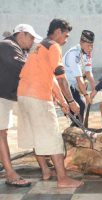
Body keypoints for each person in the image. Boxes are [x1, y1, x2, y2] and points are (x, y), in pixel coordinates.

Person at [17, 19, 83, 188]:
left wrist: (62, 102)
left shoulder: (38, 47)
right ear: (58, 31)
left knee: (36, 137)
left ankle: (46, 171)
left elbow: (51, 79)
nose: (66, 39)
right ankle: (63, 179)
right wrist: (71, 101)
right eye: (66, 35)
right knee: (53, 137)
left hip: (24, 96)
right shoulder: (54, 46)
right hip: (38, 98)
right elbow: (61, 78)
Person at [0, 24, 42, 187]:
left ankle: (8, 168)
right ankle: (10, 174)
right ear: (22, 34)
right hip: (1, 96)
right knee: (1, 134)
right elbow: (25, 69)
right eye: (31, 38)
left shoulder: (15, 48)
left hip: (6, 96)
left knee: (2, 133)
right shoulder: (8, 46)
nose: (32, 42)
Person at [63, 30, 95, 124]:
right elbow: (79, 78)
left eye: (92, 45)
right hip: (64, 84)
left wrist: (94, 88)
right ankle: (75, 127)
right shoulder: (74, 54)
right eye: (88, 45)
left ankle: (76, 125)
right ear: (81, 42)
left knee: (80, 106)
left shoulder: (87, 53)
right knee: (79, 105)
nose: (91, 48)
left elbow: (88, 73)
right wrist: (86, 95)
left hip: (74, 84)